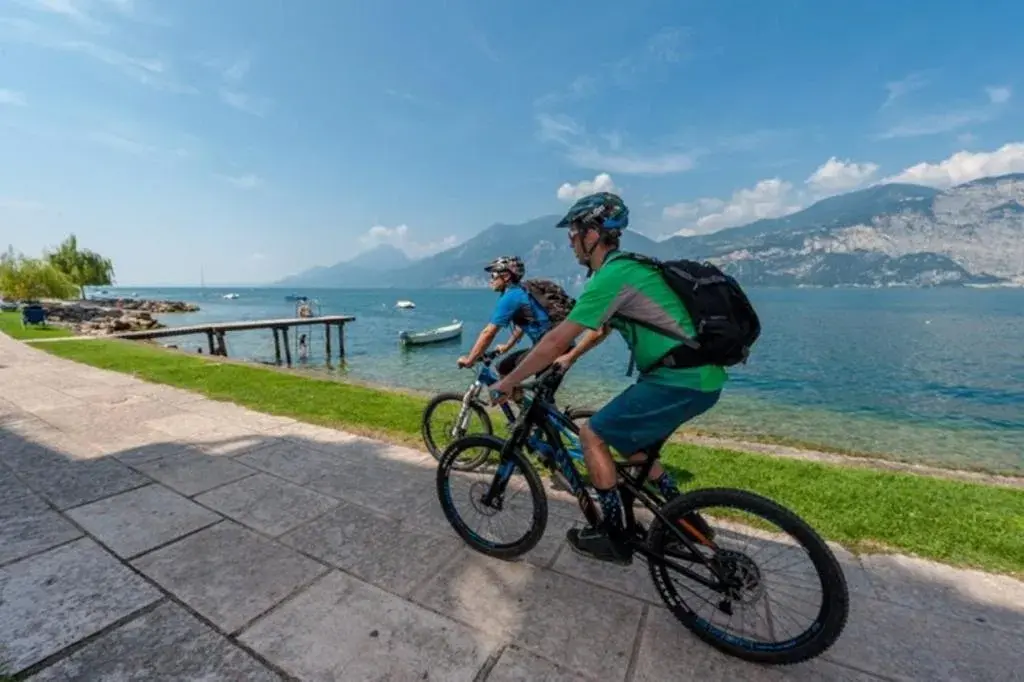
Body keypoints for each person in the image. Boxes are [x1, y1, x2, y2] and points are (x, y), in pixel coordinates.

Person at [492, 191, 727, 565]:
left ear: (592, 233)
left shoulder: (613, 275)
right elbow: (600, 330)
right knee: (636, 447)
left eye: (573, 231)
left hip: (679, 379)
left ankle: (612, 535)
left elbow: (553, 340)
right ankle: (686, 523)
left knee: (592, 434)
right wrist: (570, 359)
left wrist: (509, 381)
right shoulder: (626, 269)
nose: (570, 240)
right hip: (698, 378)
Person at [457, 256, 552, 379]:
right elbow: (524, 324)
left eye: (493, 276)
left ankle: (524, 397)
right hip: (553, 345)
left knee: (505, 369)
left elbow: (488, 333)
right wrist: (508, 346)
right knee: (505, 369)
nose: (490, 280)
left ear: (506, 276)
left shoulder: (511, 296)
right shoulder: (522, 290)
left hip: (551, 348)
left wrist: (470, 359)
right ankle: (517, 397)